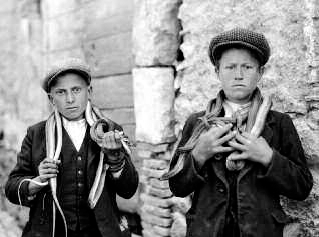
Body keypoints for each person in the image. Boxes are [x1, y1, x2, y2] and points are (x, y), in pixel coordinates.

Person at [165, 28, 313, 237]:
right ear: (217, 72)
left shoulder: (279, 123)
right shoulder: (198, 124)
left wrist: (268, 157)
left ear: (260, 72)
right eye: (230, 67)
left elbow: (302, 187)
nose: (238, 75)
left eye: (248, 67)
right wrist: (198, 155)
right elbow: (177, 186)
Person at [5, 58, 139, 237]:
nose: (70, 99)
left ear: (89, 91)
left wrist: (116, 159)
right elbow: (12, 188)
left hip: (100, 231)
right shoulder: (36, 134)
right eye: (61, 92)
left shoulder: (110, 130)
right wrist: (39, 180)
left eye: (76, 90)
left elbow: (129, 190)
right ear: (51, 99)